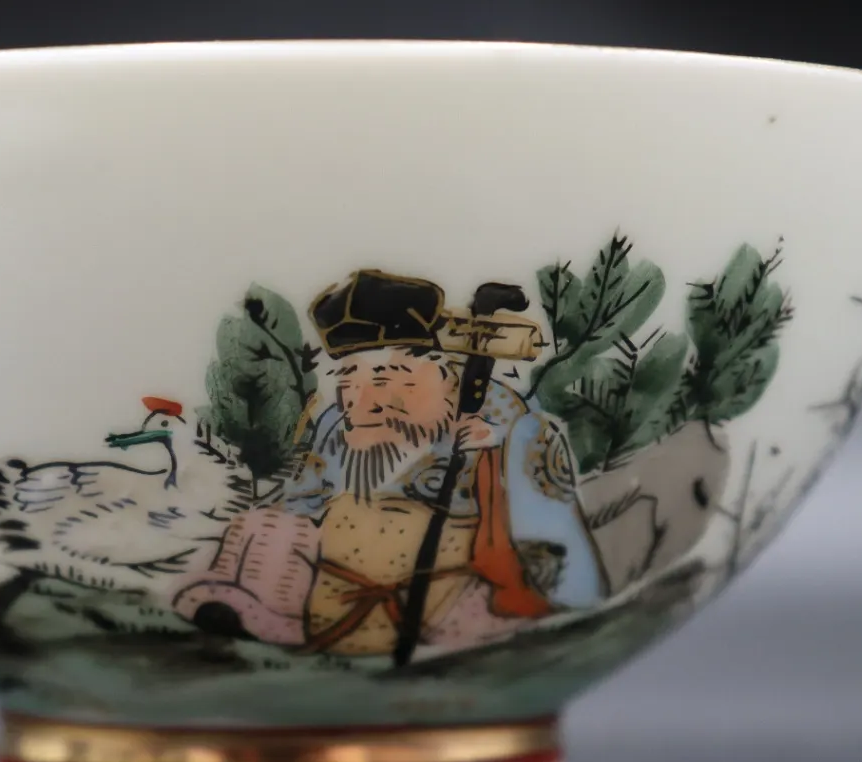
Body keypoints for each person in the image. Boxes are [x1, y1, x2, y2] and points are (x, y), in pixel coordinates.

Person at [171, 269, 605, 656]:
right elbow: (304, 498)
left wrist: (492, 453)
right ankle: (255, 614)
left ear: (441, 372)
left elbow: (550, 532)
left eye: (386, 378)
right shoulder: (336, 424)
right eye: (349, 379)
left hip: (450, 585)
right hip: (340, 575)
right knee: (269, 526)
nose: (364, 401)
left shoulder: (508, 425)